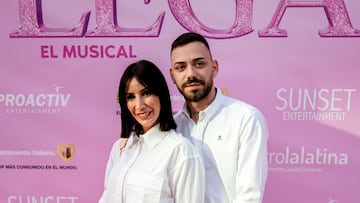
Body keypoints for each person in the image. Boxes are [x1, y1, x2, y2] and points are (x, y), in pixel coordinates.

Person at [169, 32, 268, 203]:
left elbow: (250, 197)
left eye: (199, 64)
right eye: (181, 67)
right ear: (172, 76)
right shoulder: (172, 127)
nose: (190, 74)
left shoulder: (246, 119)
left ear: (214, 68)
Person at [99, 59, 205, 203]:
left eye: (146, 93)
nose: (139, 105)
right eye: (131, 97)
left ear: (161, 94)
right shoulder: (120, 148)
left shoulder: (180, 150)